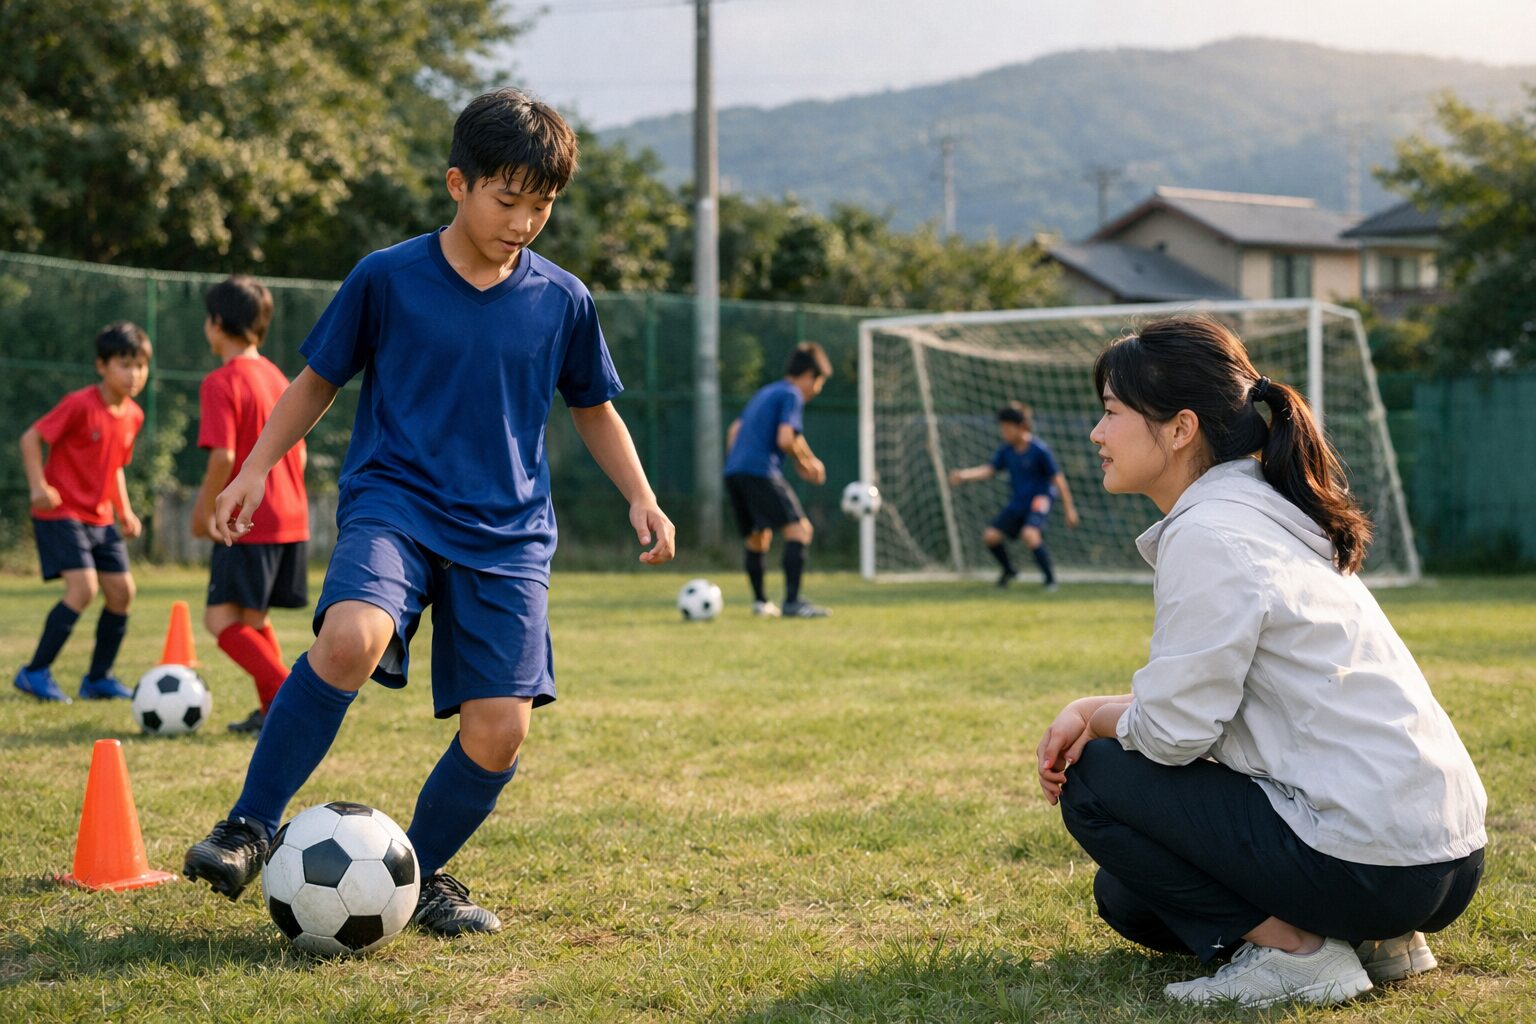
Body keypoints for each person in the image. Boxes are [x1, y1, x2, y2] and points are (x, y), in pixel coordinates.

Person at [183, 88, 676, 936]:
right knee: (350, 638)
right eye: (507, 200)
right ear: (459, 183)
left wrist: (642, 494)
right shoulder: (387, 276)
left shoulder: (563, 300)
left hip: (509, 534)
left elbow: (593, 406)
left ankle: (416, 874)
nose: (523, 222)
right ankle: (249, 825)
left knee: (500, 732)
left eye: (542, 205)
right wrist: (256, 469)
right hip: (397, 504)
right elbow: (318, 381)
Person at [1035, 315, 1486, 1009]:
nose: (1097, 435)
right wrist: (1092, 711)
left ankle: (1302, 956)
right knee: (1128, 898)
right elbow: (1204, 710)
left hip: (1371, 861)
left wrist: (1089, 720)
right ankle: (1378, 940)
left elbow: (1174, 734)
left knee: (1093, 778)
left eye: (1111, 413)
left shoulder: (1210, 532)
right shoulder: (1276, 510)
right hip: (1446, 859)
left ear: (1181, 428)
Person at [191, 276, 310, 735]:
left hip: (247, 520)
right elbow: (297, 450)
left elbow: (222, 457)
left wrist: (205, 511)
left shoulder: (222, 381)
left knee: (219, 620)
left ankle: (290, 695)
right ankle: (273, 714)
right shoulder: (279, 377)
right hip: (290, 516)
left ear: (217, 324)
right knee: (251, 620)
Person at [14, 323, 151, 703]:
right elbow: (31, 437)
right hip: (62, 513)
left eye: (140, 365)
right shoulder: (79, 404)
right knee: (84, 588)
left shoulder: (133, 416)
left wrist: (124, 511)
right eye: (124, 364)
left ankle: (98, 678)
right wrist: (38, 487)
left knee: (123, 593)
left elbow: (115, 467)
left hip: (101, 517)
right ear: (101, 366)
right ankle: (34, 672)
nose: (134, 374)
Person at [723, 342, 832, 618]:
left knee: (758, 538)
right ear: (809, 375)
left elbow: (734, 430)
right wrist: (803, 463)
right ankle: (793, 602)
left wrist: (808, 458)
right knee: (800, 530)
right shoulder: (792, 394)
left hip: (735, 471)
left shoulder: (766, 392)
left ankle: (761, 603)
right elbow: (786, 438)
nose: (816, 391)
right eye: (818, 384)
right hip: (761, 471)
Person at [948, 402, 1079, 589]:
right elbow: (988, 470)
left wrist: (1070, 509)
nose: (1004, 433)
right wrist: (963, 475)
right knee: (990, 537)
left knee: (1030, 534)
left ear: (1021, 427)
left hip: (1039, 500)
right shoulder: (1006, 450)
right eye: (1002, 429)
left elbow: (1058, 479)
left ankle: (1050, 580)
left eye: (1008, 428)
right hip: (1018, 503)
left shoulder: (1039, 450)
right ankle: (1009, 570)